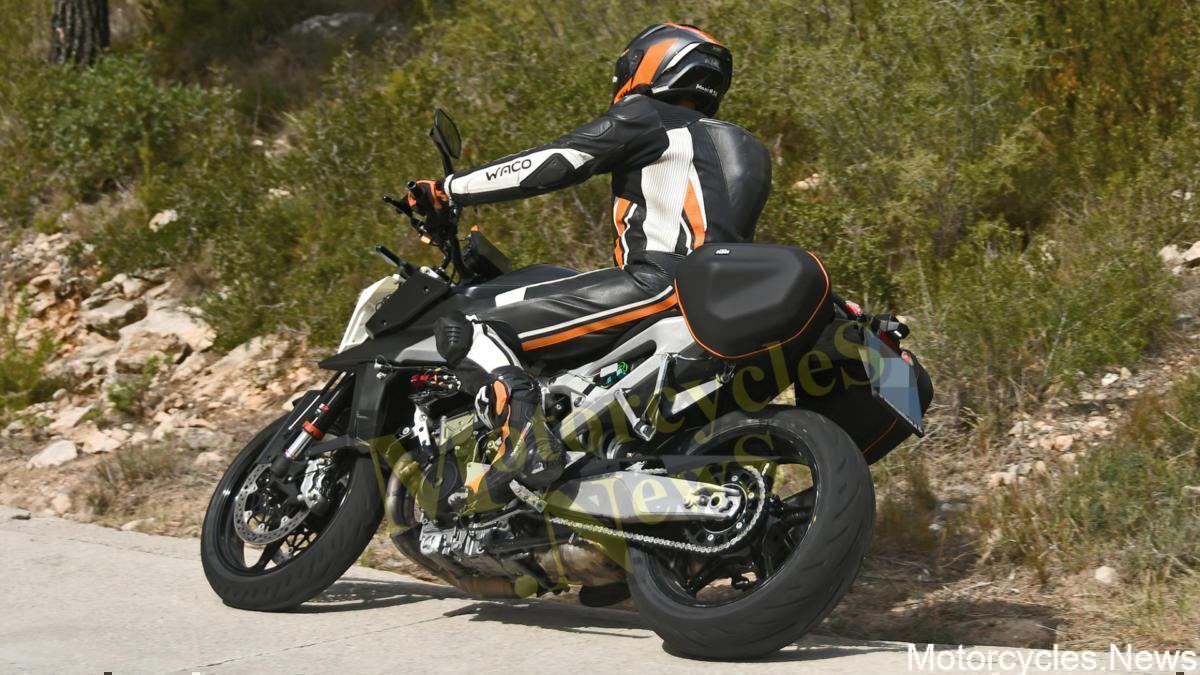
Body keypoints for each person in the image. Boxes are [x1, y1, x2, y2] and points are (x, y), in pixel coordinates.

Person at [406, 23, 772, 513]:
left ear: (650, 65)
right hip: (720, 299)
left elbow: (556, 161)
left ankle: (525, 442)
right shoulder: (746, 144)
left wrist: (449, 189)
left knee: (471, 328)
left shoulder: (648, 116)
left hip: (660, 284)